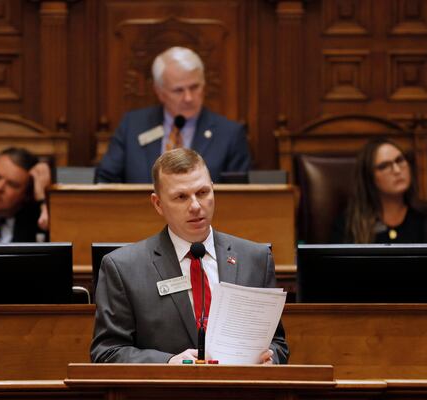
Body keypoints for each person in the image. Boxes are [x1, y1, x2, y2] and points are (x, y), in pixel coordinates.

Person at [91, 148, 288, 364]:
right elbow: (106, 353)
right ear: (158, 204)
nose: (195, 206)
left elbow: (277, 344)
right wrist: (168, 363)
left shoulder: (256, 259)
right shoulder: (123, 268)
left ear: (213, 190)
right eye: (181, 197)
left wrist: (271, 360)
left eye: (203, 193)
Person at [95, 46, 251, 183]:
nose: (188, 98)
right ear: (159, 92)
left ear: (204, 86)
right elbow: (105, 180)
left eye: (194, 87)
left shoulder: (230, 134)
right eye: (178, 90)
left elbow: (237, 197)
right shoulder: (133, 126)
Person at [329, 137, 427, 243]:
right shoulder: (349, 224)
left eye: (400, 160)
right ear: (369, 178)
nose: (397, 170)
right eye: (384, 166)